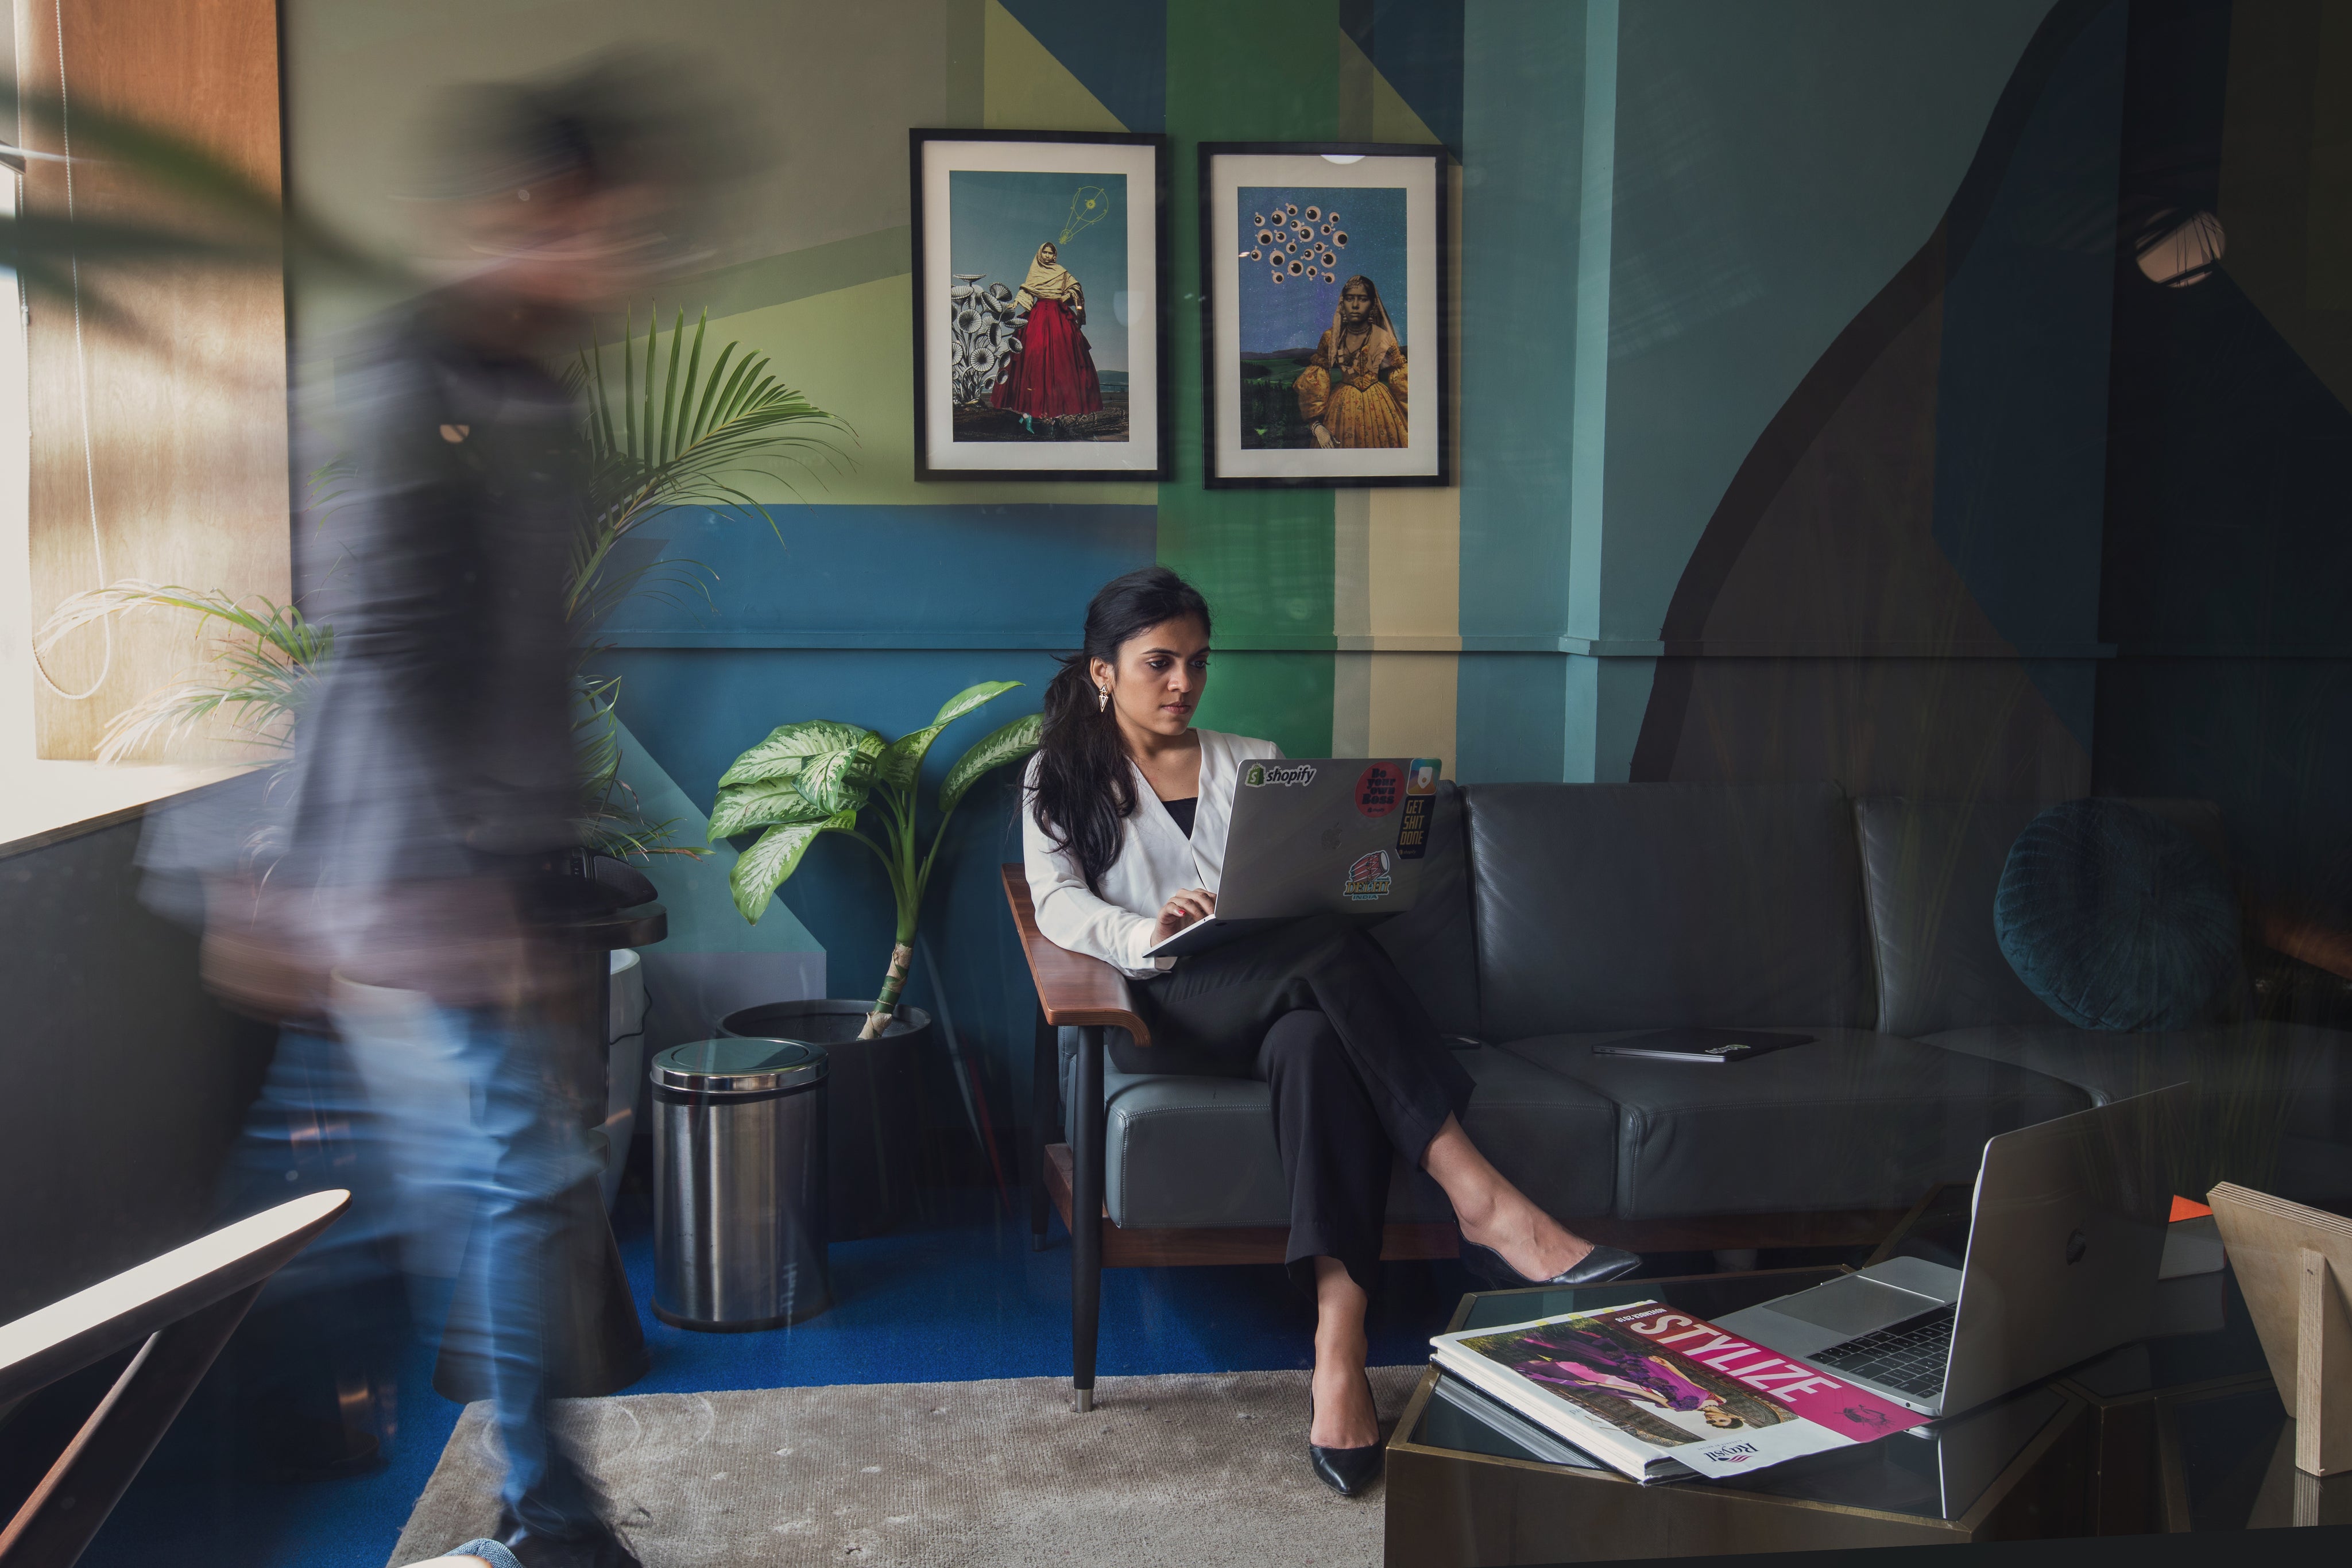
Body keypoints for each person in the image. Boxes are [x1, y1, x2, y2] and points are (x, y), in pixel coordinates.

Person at [164, 64, 724, 1568]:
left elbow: (529, 653)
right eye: (605, 229)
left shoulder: (541, 390)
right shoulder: (409, 374)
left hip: (482, 864)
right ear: (526, 212)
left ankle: (516, 1503)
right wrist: (441, 891)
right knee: (502, 1178)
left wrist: (545, 860)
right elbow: (392, 639)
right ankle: (545, 1520)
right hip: (407, 867)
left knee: (436, 1182)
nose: (623, 263)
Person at [1022, 566, 1639, 1498]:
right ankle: (1480, 1197)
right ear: (1103, 671)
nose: (1185, 682)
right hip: (1174, 1003)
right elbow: (1058, 902)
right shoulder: (1061, 774)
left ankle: (1338, 1347)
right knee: (1323, 953)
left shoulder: (1255, 759)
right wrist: (1147, 930)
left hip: (1285, 996)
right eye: (1160, 663)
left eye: (1198, 661)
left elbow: (1307, 885)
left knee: (1318, 1038)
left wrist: (1359, 874)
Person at [991, 240, 1104, 427]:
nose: (1048, 256)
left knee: (1062, 358)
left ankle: (1057, 410)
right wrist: (1016, 303)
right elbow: (1027, 290)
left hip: (1058, 316)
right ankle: (1032, 410)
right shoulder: (1035, 271)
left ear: (1055, 255)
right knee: (1033, 355)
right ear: (1040, 254)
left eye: (1051, 253)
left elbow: (1075, 287)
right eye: (1045, 253)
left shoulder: (1061, 272)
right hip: (1038, 316)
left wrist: (1067, 297)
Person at [1293, 275, 1407, 448]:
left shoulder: (1384, 338)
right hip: (1341, 408)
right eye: (1350, 298)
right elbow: (1315, 382)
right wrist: (1317, 427)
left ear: (1373, 304)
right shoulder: (1331, 337)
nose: (1355, 305)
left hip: (1380, 407)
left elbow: (1402, 382)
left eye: (1363, 299)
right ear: (1342, 303)